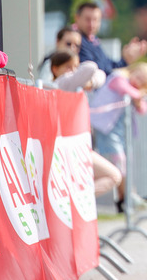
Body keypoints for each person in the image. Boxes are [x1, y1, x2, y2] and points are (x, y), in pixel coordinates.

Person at [49, 50, 122, 197]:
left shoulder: (75, 84)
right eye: (68, 67)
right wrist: (87, 81)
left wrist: (90, 82)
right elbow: (90, 67)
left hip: (77, 145)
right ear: (55, 69)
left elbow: (101, 75)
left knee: (113, 175)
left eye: (76, 67)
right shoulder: (61, 83)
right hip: (65, 147)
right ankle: (76, 200)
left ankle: (76, 200)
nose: (73, 71)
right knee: (113, 175)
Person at [89, 60, 147, 213]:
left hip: (118, 130)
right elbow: (125, 89)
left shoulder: (132, 90)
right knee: (119, 161)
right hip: (105, 127)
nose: (138, 81)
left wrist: (139, 99)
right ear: (133, 70)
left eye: (143, 81)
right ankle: (128, 195)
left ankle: (123, 198)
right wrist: (139, 95)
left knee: (123, 162)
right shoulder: (118, 77)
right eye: (138, 75)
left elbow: (143, 109)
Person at [74, 1, 147, 76]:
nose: (92, 24)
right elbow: (99, 71)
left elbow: (108, 66)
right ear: (77, 18)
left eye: (95, 20)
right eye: (88, 19)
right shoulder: (74, 41)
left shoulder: (93, 40)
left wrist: (126, 59)